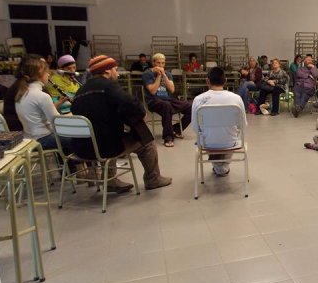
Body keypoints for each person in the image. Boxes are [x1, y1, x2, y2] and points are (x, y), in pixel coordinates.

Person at [69, 55, 171, 191]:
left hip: (81, 150)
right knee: (146, 141)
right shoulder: (108, 86)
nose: (117, 74)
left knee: (105, 134)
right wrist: (141, 114)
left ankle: (110, 181)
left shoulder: (80, 92)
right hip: (104, 149)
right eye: (115, 70)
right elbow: (131, 103)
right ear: (107, 71)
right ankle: (153, 179)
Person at [190, 67, 247, 177]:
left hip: (207, 143)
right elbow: (243, 125)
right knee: (227, 134)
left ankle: (219, 166)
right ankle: (221, 167)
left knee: (209, 135)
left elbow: (195, 128)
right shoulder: (236, 98)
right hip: (230, 142)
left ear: (207, 81)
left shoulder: (198, 99)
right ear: (225, 81)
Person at [14, 56, 69, 151]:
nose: (48, 74)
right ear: (40, 74)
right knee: (82, 138)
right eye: (46, 72)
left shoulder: (21, 93)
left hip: (28, 138)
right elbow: (57, 121)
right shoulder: (42, 96)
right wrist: (72, 116)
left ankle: (66, 159)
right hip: (42, 139)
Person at [142, 53, 192, 147]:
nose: (160, 65)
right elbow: (153, 91)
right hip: (153, 101)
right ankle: (168, 137)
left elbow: (172, 90)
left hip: (168, 100)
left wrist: (164, 75)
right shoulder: (147, 73)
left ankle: (176, 129)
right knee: (166, 106)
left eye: (163, 63)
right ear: (153, 63)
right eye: (158, 63)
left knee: (191, 107)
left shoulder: (168, 74)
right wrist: (158, 76)